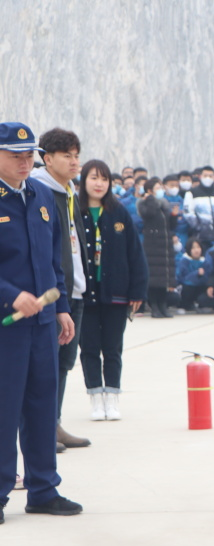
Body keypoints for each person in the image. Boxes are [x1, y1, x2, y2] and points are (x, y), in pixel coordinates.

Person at [0, 121, 82, 523]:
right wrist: (10, 295)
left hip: (44, 323)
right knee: (5, 406)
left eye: (28, 155)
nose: (24, 162)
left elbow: (55, 263)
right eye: (15, 155)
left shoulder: (43, 196)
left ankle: (43, 489)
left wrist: (62, 307)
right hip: (7, 324)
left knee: (42, 404)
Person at [30, 128, 92, 449]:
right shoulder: (40, 192)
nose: (74, 162)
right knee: (47, 363)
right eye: (67, 155)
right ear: (47, 157)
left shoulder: (68, 191)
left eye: (76, 155)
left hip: (75, 289)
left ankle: (54, 423)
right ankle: (41, 429)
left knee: (65, 362)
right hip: (55, 294)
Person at [77, 159, 149, 421]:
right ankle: (95, 398)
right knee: (89, 348)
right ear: (84, 181)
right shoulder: (75, 211)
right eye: (94, 178)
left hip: (116, 293)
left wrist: (137, 292)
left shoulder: (119, 213)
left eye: (104, 179)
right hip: (84, 294)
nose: (99, 184)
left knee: (113, 348)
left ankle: (112, 397)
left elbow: (135, 254)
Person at [139, 176, 176, 318]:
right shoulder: (144, 203)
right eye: (157, 188)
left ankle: (163, 305)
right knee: (154, 278)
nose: (161, 190)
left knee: (164, 277)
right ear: (149, 190)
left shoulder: (163, 204)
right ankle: (154, 305)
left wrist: (173, 216)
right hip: (153, 246)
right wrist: (150, 199)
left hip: (165, 246)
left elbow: (170, 226)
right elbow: (149, 214)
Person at [176, 238, 214, 312]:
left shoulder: (205, 262)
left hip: (199, 287)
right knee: (187, 287)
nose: (196, 250)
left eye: (198, 247)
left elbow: (208, 277)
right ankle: (185, 305)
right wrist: (196, 273)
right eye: (193, 248)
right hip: (186, 289)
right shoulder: (184, 261)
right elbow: (182, 278)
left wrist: (202, 276)